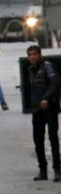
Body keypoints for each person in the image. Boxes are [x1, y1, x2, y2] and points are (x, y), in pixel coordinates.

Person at [26, 45, 61, 182]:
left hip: (50, 107)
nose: (32, 57)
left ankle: (57, 170)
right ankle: (43, 170)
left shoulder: (48, 67)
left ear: (39, 55)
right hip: (38, 110)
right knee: (38, 139)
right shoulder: (31, 70)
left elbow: (56, 83)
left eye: (34, 54)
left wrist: (46, 98)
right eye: (30, 55)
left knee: (53, 138)